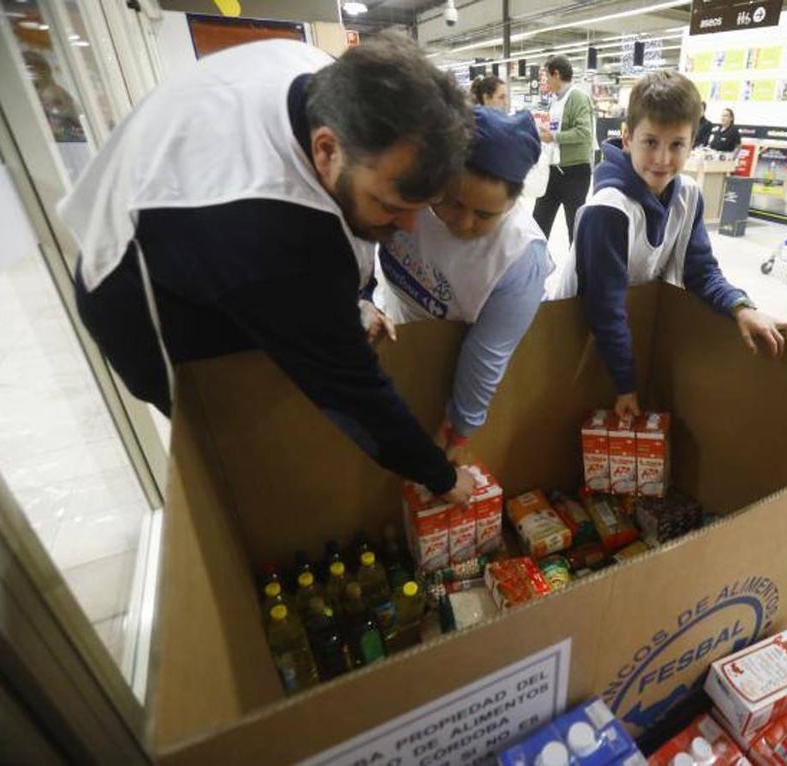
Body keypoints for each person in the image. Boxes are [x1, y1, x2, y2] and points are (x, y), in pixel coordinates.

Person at [57, 35, 479, 504]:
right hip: (139, 291)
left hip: (191, 213)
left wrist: (356, 298)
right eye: (391, 205)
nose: (408, 226)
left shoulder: (328, 81)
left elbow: (334, 267)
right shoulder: (274, 235)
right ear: (325, 150)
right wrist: (439, 475)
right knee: (233, 432)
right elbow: (351, 387)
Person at [572, 71, 787, 420]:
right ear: (627, 138)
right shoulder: (609, 209)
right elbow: (605, 308)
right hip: (578, 336)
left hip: (627, 334)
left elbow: (700, 270)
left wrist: (741, 307)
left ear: (693, 144)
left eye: (676, 144)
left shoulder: (688, 194)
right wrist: (626, 384)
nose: (662, 158)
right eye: (650, 142)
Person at [366, 107, 550, 462]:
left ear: (512, 203)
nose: (463, 223)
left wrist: (459, 427)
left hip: (456, 357)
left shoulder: (520, 257)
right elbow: (358, 236)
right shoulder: (413, 193)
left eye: (484, 215)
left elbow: (487, 353)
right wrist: (361, 299)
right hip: (395, 326)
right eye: (451, 202)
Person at [533, 54, 594, 244]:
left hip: (574, 173)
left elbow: (585, 132)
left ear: (556, 74)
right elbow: (555, 129)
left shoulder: (577, 97)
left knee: (575, 230)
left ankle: (578, 272)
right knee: (538, 224)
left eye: (547, 77)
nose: (546, 82)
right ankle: (533, 269)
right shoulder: (554, 100)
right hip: (553, 171)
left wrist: (554, 136)